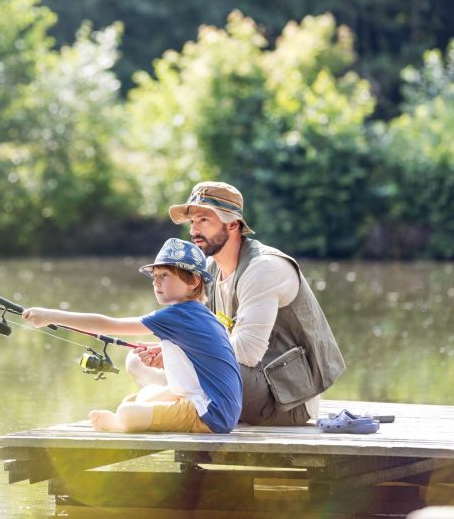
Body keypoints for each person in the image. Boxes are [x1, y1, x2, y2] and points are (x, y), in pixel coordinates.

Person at [128, 182, 345, 426]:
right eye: (192, 222)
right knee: (137, 361)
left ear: (233, 224)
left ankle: (169, 407)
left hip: (286, 400)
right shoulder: (209, 270)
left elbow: (247, 352)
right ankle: (177, 405)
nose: (194, 231)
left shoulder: (263, 269)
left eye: (204, 220)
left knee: (180, 361)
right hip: (239, 381)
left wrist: (183, 351)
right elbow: (203, 334)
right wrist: (171, 348)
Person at [22, 238, 242, 435]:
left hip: (209, 415)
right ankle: (128, 416)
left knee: (128, 412)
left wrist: (51, 316)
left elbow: (109, 324)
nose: (156, 282)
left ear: (194, 281)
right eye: (155, 276)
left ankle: (120, 424)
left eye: (165, 275)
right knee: (144, 396)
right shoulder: (199, 313)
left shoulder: (177, 314)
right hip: (217, 408)